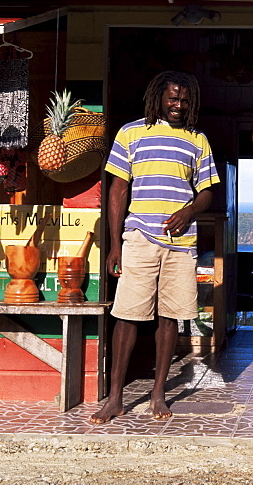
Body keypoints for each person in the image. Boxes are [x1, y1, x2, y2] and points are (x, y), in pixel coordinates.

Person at [90, 71, 219, 423]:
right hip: (139, 236)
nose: (178, 105)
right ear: (158, 97)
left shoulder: (197, 139)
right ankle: (115, 397)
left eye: (185, 100)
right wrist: (114, 245)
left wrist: (189, 210)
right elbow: (117, 191)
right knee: (127, 315)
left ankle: (159, 393)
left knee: (170, 318)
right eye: (173, 98)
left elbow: (207, 191)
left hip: (180, 244)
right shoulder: (131, 133)